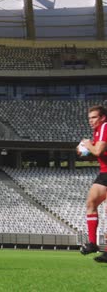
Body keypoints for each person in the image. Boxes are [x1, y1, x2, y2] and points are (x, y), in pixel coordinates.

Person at [78, 105, 107, 262]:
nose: (91, 121)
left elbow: (98, 151)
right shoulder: (98, 131)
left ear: (102, 117)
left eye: (94, 117)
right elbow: (97, 154)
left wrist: (87, 144)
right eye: (89, 118)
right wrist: (84, 153)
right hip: (105, 173)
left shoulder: (105, 126)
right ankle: (92, 244)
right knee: (91, 203)